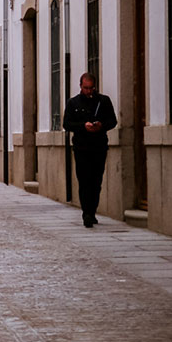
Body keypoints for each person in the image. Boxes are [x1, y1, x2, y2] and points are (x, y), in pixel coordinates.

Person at [63, 72, 117, 228]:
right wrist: (83, 126)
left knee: (96, 180)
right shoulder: (73, 103)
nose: (88, 91)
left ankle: (92, 211)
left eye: (91, 88)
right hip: (81, 147)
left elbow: (112, 121)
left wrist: (101, 126)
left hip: (99, 146)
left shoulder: (103, 101)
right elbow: (67, 124)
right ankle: (86, 213)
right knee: (84, 180)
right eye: (86, 88)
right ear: (80, 86)